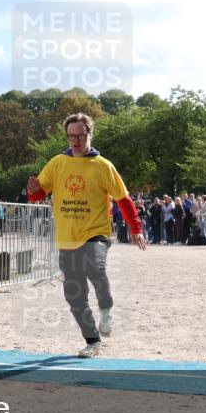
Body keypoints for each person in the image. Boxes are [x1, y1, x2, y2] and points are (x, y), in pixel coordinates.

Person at [27, 113, 147, 358]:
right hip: (67, 237)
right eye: (71, 137)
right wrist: (33, 192)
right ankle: (92, 341)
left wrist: (136, 229)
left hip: (96, 233)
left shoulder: (103, 166)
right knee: (74, 295)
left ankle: (106, 308)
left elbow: (124, 199)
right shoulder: (57, 163)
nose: (75, 141)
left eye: (80, 136)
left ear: (89, 134)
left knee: (94, 266)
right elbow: (39, 194)